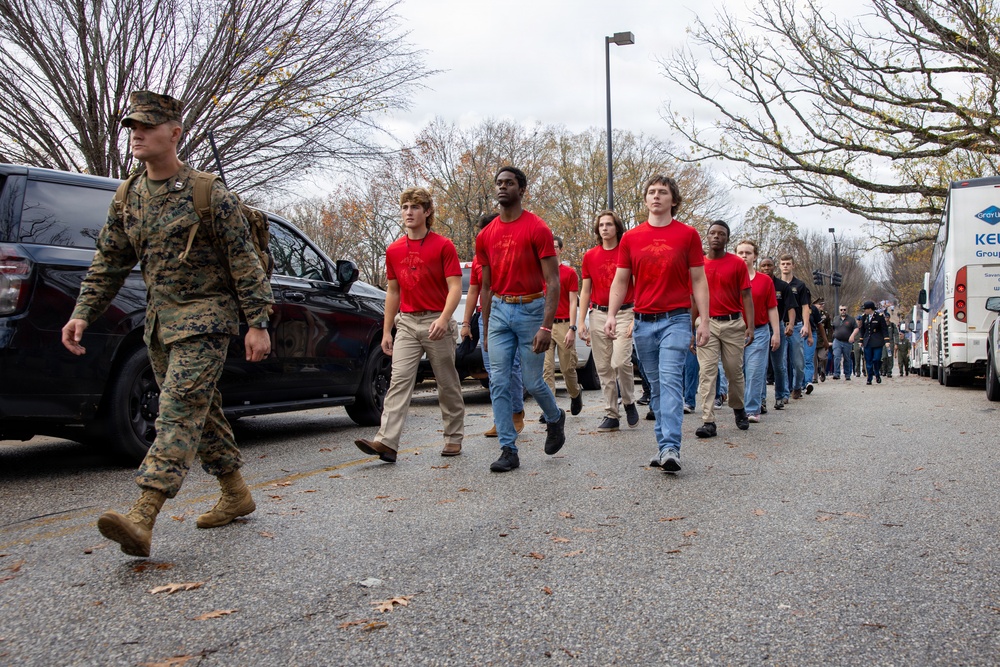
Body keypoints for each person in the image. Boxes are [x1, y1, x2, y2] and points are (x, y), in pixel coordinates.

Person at [61, 91, 274, 557]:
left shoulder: (206, 191)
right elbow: (109, 261)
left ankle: (143, 513)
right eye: (132, 126)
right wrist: (82, 312)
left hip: (207, 318)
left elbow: (244, 262)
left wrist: (258, 322)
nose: (136, 133)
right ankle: (236, 492)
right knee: (202, 409)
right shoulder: (129, 194)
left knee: (176, 408)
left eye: (147, 126)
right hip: (160, 324)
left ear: (174, 133)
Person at [604, 175, 709, 473]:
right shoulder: (631, 238)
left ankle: (670, 447)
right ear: (646, 199)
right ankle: (663, 444)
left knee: (671, 381)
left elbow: (699, 279)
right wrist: (612, 314)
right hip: (643, 322)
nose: (656, 196)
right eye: (651, 192)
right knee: (658, 387)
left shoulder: (687, 235)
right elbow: (621, 280)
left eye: (663, 192)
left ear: (673, 200)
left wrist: (704, 319)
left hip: (676, 319)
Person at [354, 187, 465, 462]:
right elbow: (393, 291)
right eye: (404, 207)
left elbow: (454, 287)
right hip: (406, 323)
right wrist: (386, 330)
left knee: (447, 383)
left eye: (414, 207)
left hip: (436, 321)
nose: (408, 212)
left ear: (427, 212)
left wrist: (443, 318)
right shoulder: (393, 250)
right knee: (399, 382)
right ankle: (387, 442)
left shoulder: (443, 245)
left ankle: (453, 438)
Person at [476, 166, 566, 473]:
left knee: (531, 381)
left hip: (531, 310)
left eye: (509, 183)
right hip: (499, 310)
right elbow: (486, 286)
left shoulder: (537, 229)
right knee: (499, 381)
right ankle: (508, 449)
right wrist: (486, 329)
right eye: (499, 183)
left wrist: (545, 325)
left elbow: (553, 282)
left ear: (521, 189)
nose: (502, 187)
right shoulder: (485, 236)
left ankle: (555, 418)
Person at [461, 213, 526, 437]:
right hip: (485, 318)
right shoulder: (479, 259)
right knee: (493, 371)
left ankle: (516, 414)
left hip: (510, 314)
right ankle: (501, 419)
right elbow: (473, 291)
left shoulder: (513, 253)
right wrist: (466, 322)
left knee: (512, 368)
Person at [579, 210, 639, 432]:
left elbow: (638, 284)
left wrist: (637, 316)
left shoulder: (628, 253)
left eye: (609, 224)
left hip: (626, 312)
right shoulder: (590, 256)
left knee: (620, 362)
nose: (605, 228)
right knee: (603, 367)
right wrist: (582, 321)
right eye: (601, 225)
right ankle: (611, 413)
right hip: (598, 314)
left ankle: (629, 401)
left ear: (617, 228)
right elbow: (585, 291)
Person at [694, 221, 754, 437]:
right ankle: (708, 420)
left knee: (733, 371)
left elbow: (746, 296)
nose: (716, 236)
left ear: (727, 238)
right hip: (706, 323)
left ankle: (738, 408)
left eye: (721, 234)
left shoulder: (737, 264)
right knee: (707, 372)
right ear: (707, 237)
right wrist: (691, 329)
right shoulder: (699, 265)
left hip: (733, 324)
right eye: (712, 233)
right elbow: (693, 299)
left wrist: (750, 326)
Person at [735, 240, 780, 423]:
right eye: (740, 252)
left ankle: (752, 409)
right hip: (734, 330)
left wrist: (776, 332)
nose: (744, 256)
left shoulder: (765, 280)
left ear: (755, 256)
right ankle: (737, 404)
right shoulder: (731, 278)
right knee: (736, 372)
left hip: (760, 331)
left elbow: (772, 308)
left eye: (748, 252)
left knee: (754, 370)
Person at [542, 236, 584, 418]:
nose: (552, 250)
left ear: (560, 250)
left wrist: (572, 328)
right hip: (545, 326)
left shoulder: (568, 273)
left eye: (555, 247)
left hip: (564, 324)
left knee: (567, 368)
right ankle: (550, 410)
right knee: (546, 369)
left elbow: (573, 301)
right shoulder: (540, 272)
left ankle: (575, 393)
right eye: (548, 247)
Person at [758, 257, 798, 411]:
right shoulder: (757, 282)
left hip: (778, 327)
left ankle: (780, 396)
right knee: (760, 365)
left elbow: (791, 307)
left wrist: (791, 324)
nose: (766, 268)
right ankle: (761, 400)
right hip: (760, 326)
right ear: (760, 267)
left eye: (769, 265)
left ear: (774, 267)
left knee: (778, 364)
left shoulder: (782, 286)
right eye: (763, 265)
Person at [779, 255, 811, 400]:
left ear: (793, 266)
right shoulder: (775, 284)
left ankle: (797, 385)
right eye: (783, 263)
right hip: (780, 325)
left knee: (798, 362)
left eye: (788, 264)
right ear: (779, 266)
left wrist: (806, 325)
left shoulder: (800, 285)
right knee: (781, 362)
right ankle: (785, 392)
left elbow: (805, 307)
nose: (785, 266)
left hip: (797, 326)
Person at [858, 300, 889, 384]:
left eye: (866, 309)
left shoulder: (879, 316)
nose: (864, 310)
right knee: (868, 360)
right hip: (867, 341)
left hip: (877, 341)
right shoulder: (864, 317)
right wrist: (861, 340)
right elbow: (862, 329)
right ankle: (869, 378)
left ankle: (877, 373)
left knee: (876, 359)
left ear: (870, 309)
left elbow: (884, 329)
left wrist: (886, 340)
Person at [830, 304, 858, 380]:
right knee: (836, 357)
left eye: (844, 309)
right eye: (841, 310)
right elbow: (832, 329)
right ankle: (836, 373)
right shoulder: (835, 319)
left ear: (846, 310)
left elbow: (856, 328)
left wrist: (852, 336)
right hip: (837, 341)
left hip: (847, 342)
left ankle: (847, 374)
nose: (843, 311)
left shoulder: (851, 319)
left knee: (847, 358)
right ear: (839, 310)